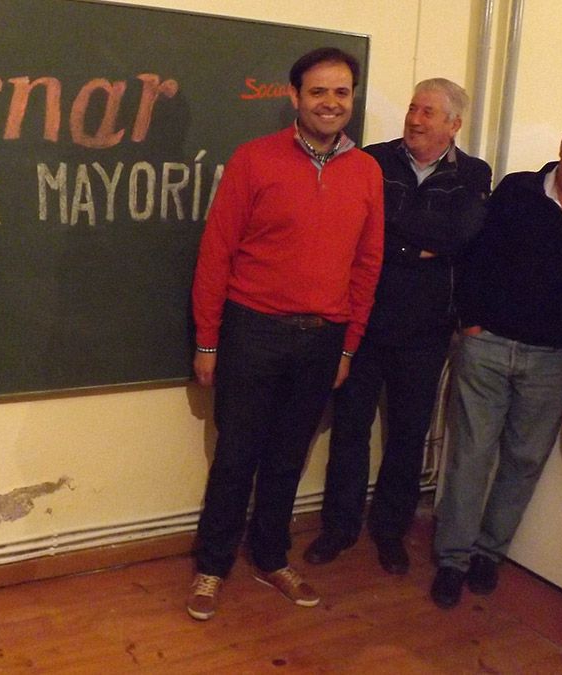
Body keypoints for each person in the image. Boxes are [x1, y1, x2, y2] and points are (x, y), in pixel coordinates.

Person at [185, 47, 384, 621]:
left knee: (288, 456)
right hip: (252, 331)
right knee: (236, 455)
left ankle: (272, 555)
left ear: (352, 99)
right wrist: (207, 340)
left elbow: (367, 266)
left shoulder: (366, 171)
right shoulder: (254, 159)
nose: (330, 102)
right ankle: (212, 565)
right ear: (294, 97)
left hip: (323, 338)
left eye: (341, 92)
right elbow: (216, 252)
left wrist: (348, 345)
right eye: (318, 91)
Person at [431, 110, 562, 610]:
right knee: (470, 458)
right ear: (561, 143)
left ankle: (488, 554)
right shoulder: (518, 189)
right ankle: (452, 560)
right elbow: (476, 257)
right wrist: (470, 321)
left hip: (553, 360)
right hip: (489, 344)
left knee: (523, 462)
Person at [303, 78, 490, 575]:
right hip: (363, 320)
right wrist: (417, 249)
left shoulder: (473, 173)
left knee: (409, 436)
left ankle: (390, 531)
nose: (414, 118)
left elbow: (457, 234)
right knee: (349, 430)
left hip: (428, 330)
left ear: (453, 123)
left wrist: (402, 239)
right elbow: (361, 228)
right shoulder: (372, 161)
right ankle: (339, 528)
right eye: (412, 107)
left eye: (428, 112)